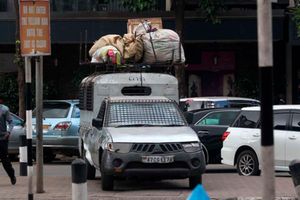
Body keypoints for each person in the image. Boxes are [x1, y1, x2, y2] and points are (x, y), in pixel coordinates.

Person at [0, 97, 16, 185]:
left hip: (2, 138)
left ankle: (12, 175)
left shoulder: (4, 109)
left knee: (4, 160)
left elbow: (11, 122)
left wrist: (9, 132)